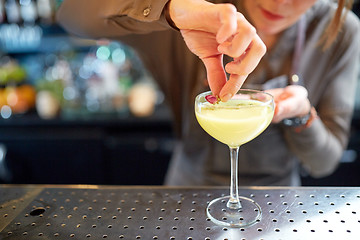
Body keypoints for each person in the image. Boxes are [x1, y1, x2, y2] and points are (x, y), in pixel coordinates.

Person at [56, 0, 360, 186]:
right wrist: (171, 10)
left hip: (277, 201)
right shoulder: (200, 11)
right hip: (186, 194)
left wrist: (301, 115)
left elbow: (324, 163)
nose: (280, 1)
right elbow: (71, 15)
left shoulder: (341, 30)